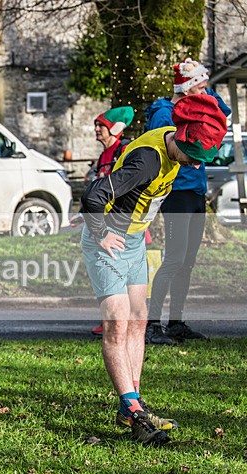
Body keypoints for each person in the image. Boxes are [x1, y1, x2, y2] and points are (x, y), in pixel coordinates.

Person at [80, 93, 227, 446]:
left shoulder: (175, 149)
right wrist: (101, 233)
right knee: (117, 320)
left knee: (139, 320)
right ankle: (133, 411)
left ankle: (132, 401)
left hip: (132, 243)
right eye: (194, 158)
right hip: (109, 243)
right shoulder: (148, 160)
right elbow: (93, 196)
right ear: (183, 139)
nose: (195, 166)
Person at [144, 58, 232, 344]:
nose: (206, 94)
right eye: (201, 89)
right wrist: (189, 83)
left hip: (196, 192)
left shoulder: (197, 103)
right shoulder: (164, 112)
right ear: (184, 90)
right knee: (174, 259)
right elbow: (162, 148)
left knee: (188, 262)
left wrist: (202, 84)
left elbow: (222, 112)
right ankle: (153, 324)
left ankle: (177, 322)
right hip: (177, 192)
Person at [87, 106, 135, 336]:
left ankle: (122, 321)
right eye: (96, 125)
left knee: (118, 271)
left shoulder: (123, 150)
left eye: (101, 125)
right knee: (104, 271)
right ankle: (109, 318)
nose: (96, 129)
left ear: (114, 128)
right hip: (101, 222)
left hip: (119, 222)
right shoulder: (102, 156)